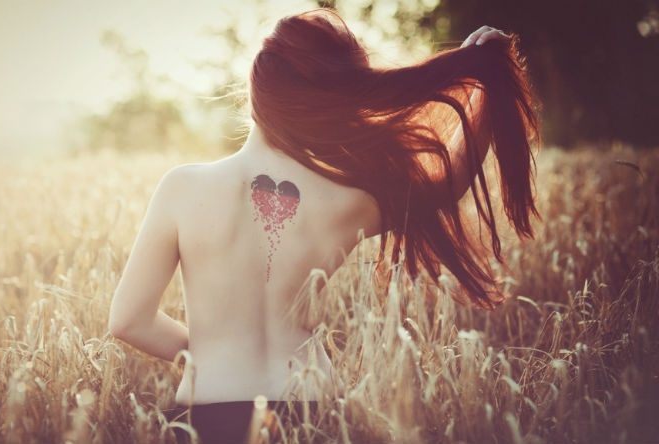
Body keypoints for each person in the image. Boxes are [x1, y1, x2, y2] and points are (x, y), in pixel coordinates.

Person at [107, 8, 539, 444]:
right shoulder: (347, 198)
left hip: (203, 419)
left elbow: (128, 320)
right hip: (310, 416)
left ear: (258, 89)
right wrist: (484, 85)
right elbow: (446, 183)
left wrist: (210, 354)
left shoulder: (181, 188)